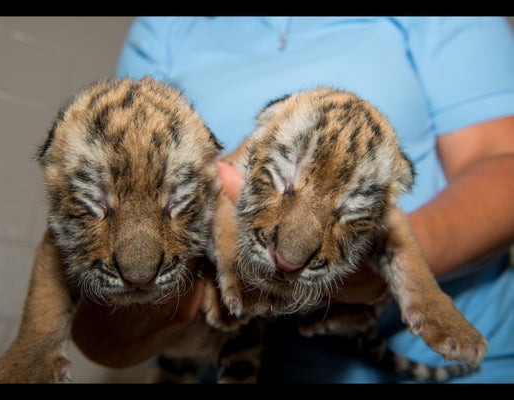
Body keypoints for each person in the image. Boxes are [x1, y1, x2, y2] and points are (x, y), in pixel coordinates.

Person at [72, 17, 514, 383]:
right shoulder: (167, 26)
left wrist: (387, 273)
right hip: (232, 355)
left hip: (449, 361)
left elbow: (503, 163)